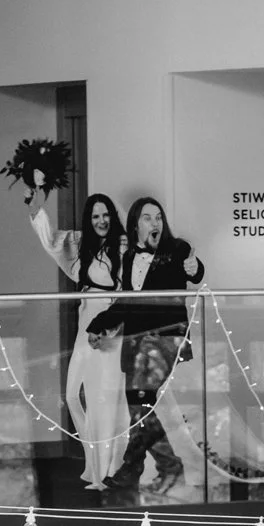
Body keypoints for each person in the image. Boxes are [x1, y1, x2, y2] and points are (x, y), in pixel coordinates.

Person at [89, 197, 206, 500]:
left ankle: (132, 469)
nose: (155, 223)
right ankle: (169, 465)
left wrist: (194, 267)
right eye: (147, 218)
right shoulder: (129, 258)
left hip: (167, 338)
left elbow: (193, 270)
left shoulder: (176, 248)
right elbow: (128, 301)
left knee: (141, 404)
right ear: (135, 225)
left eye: (158, 217)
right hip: (138, 341)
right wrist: (100, 324)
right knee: (140, 408)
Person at [29, 191, 128, 487]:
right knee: (73, 395)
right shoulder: (80, 243)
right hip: (86, 322)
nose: (101, 220)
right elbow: (49, 239)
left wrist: (113, 327)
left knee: (104, 398)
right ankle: (95, 459)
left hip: (110, 325)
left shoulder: (123, 247)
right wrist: (35, 201)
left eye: (105, 214)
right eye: (95, 215)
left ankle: (105, 470)